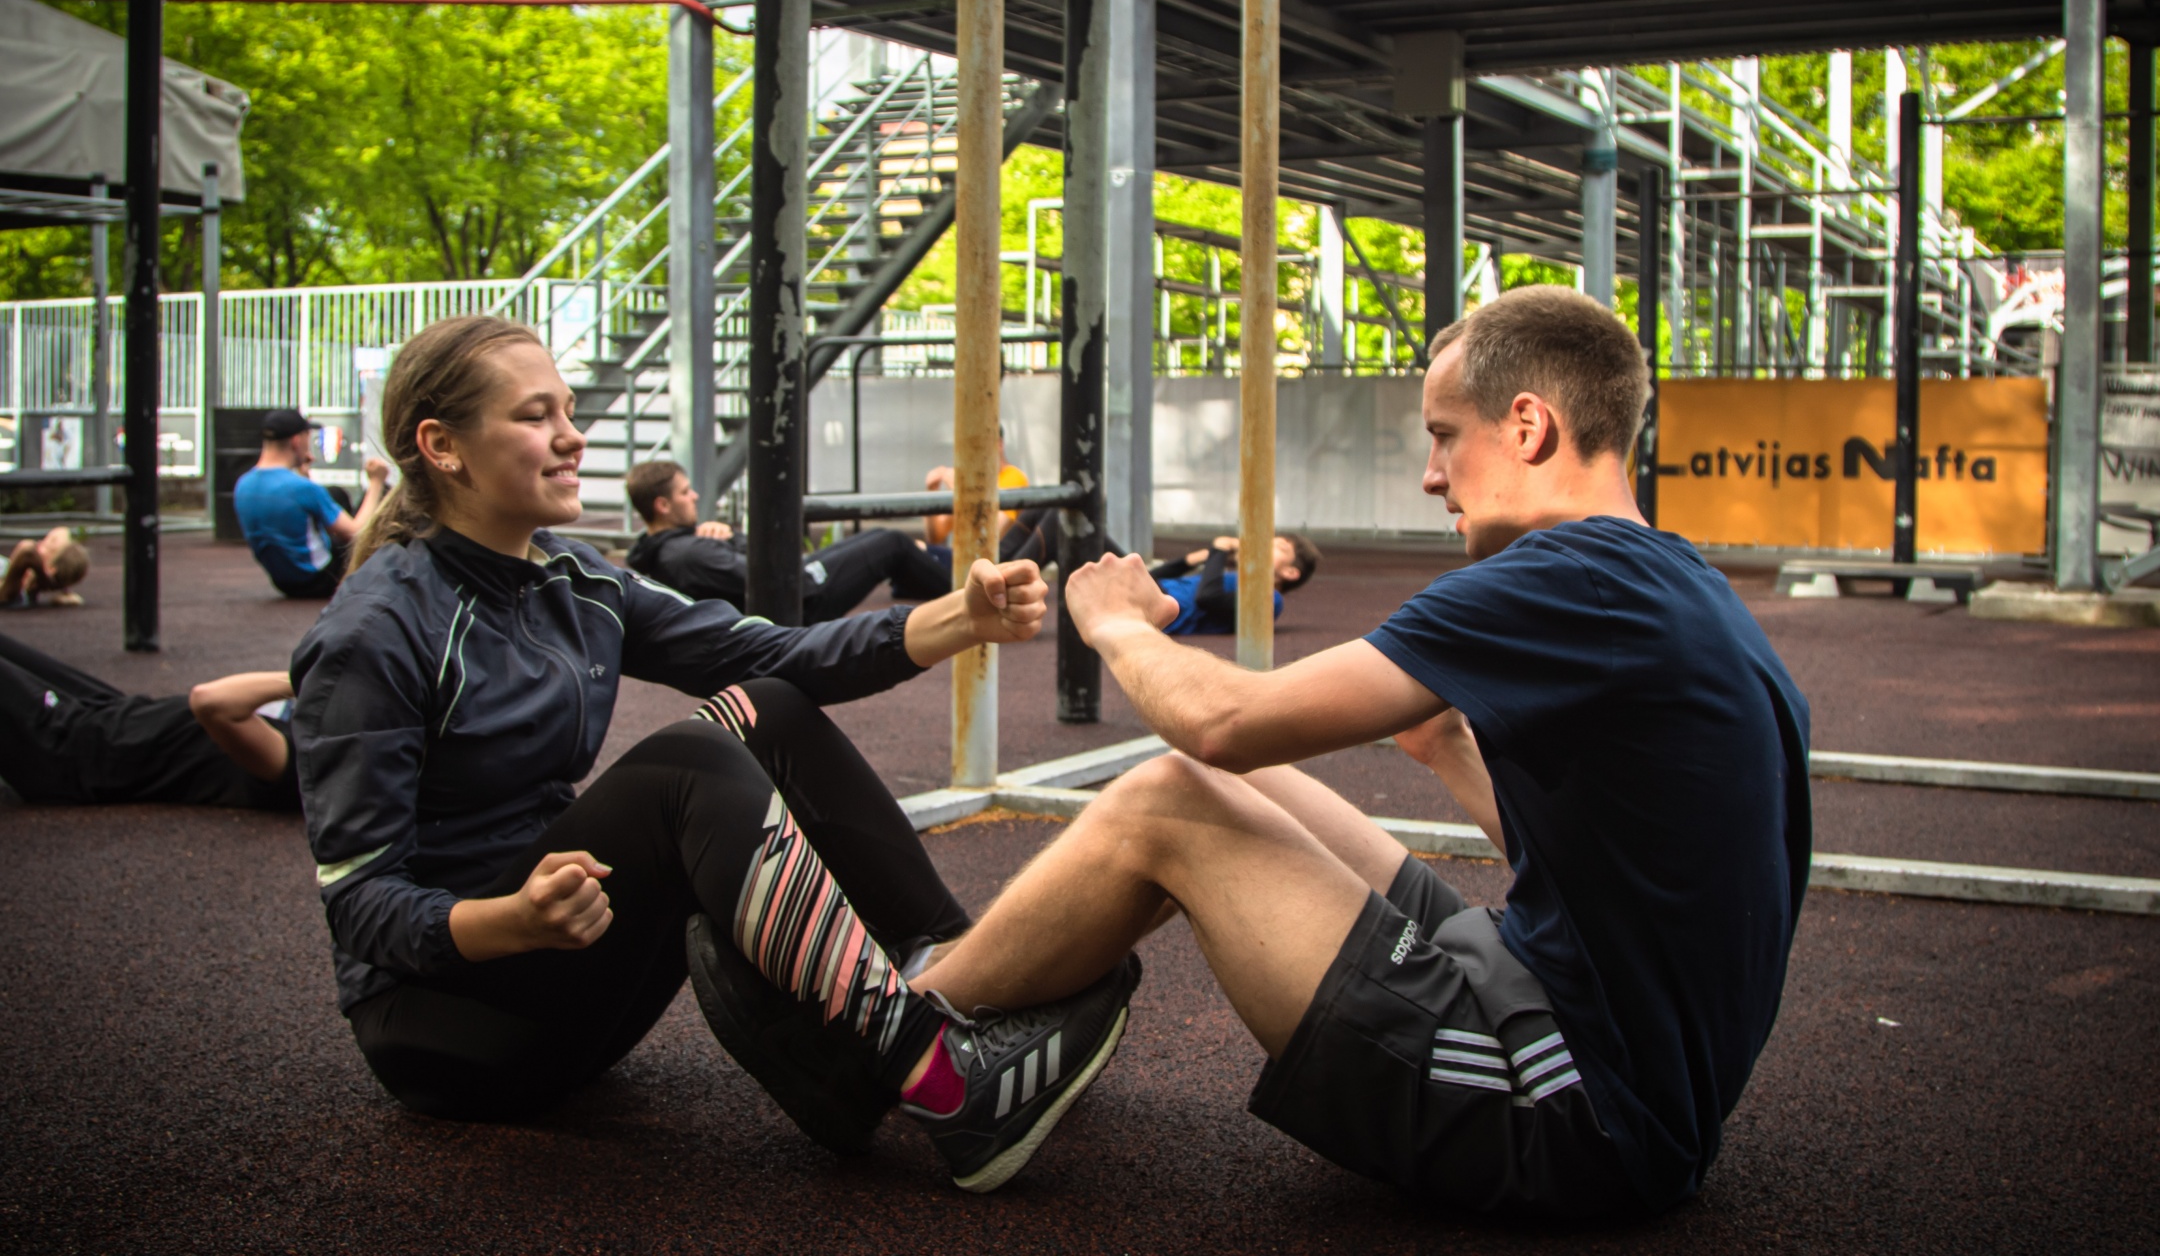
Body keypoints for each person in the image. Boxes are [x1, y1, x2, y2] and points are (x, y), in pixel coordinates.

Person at [718, 287, 1810, 1214]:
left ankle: (882, 1041)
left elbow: (1222, 722)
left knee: (1174, 794)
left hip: (1580, 1110)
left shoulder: (1566, 576)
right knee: (1232, 785)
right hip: (1587, 1023)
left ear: (1527, 426)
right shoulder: (1677, 584)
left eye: (1444, 436)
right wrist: (1447, 750)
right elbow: (1625, 868)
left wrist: (1117, 625)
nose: (1433, 475)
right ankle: (991, 1013)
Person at [292, 314, 1137, 1191]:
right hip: (452, 1028)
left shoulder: (575, 579)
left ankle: (971, 993)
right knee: (683, 770)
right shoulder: (375, 632)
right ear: (442, 447)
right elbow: (361, 904)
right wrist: (509, 920)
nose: (573, 435)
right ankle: (947, 1082)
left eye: (569, 410)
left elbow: (773, 656)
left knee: (766, 706)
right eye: (536, 416)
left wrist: (960, 617)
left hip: (564, 959)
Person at [0, 627, 295, 808]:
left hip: (81, 752)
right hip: (113, 710)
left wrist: (315, 676)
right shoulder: (316, 730)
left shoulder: (302, 766)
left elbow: (211, 701)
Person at [624, 459, 951, 615]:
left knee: (883, 536)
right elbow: (770, 577)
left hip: (798, 583)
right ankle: (966, 597)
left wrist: (724, 537)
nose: (694, 496)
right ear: (663, 505)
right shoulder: (689, 553)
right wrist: (729, 540)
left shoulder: (666, 547)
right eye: (685, 493)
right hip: (802, 603)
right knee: (892, 545)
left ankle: (926, 583)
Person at [234, 409, 390, 598]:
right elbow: (357, 533)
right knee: (381, 494)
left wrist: (302, 471)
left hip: (283, 582)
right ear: (296, 441)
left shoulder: (243, 484)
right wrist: (376, 482)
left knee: (335, 494)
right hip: (320, 578)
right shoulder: (302, 488)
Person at [1144, 532, 1320, 636]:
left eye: (1279, 547)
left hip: (1157, 607)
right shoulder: (1233, 577)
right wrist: (1192, 560)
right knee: (1131, 565)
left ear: (1290, 572)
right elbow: (1149, 578)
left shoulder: (1271, 598)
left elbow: (1207, 598)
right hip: (1152, 593)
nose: (1262, 547)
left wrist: (1220, 550)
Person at [1, 525, 88, 607]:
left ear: (50, 569)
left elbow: (27, 551)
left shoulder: (17, 591)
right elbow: (62, 530)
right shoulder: (8, 571)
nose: (37, 543)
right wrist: (57, 586)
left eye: (44, 546)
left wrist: (44, 577)